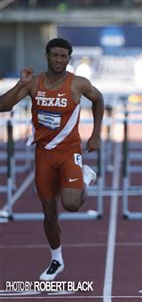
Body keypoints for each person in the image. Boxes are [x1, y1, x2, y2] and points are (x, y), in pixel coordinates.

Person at [0, 38, 104, 280]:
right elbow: (3, 106)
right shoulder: (34, 83)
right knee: (49, 213)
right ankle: (56, 259)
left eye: (63, 56)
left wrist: (96, 134)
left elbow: (98, 99)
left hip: (69, 152)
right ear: (46, 56)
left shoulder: (78, 84)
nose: (59, 60)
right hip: (43, 155)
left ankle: (85, 177)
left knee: (71, 204)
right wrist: (20, 84)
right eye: (54, 55)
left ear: (69, 58)